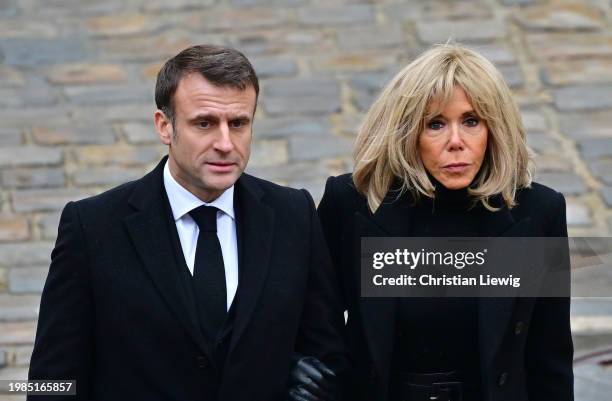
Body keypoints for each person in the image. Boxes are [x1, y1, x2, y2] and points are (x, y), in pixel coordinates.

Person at [28, 44, 348, 401]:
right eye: (205, 123)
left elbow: (328, 353)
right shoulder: (93, 227)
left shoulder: (294, 215)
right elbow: (51, 380)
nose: (225, 143)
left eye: (238, 123)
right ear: (165, 126)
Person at [317, 44, 573, 401]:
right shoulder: (351, 202)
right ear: (407, 133)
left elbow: (551, 355)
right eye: (435, 124)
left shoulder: (538, 210)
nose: (456, 142)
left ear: (494, 128)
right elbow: (314, 323)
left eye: (471, 121)